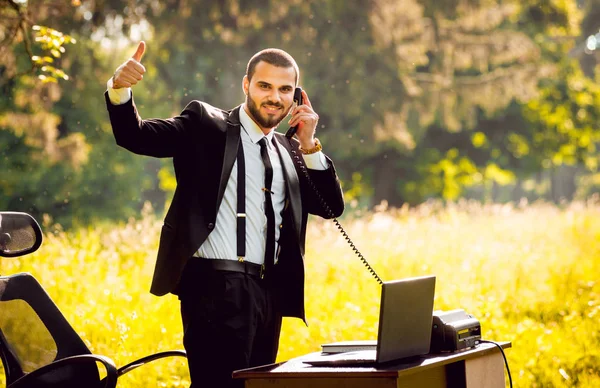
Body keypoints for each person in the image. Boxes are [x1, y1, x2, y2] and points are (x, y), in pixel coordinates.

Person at [104, 41, 345, 388]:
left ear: (297, 96)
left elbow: (329, 207)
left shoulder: (290, 150)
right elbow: (136, 136)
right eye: (265, 86)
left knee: (257, 386)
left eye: (284, 89)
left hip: (268, 293)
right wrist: (120, 89)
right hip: (215, 287)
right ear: (246, 85)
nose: (274, 97)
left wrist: (309, 144)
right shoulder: (206, 124)